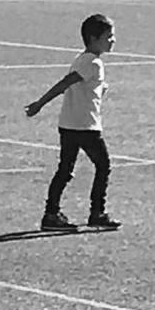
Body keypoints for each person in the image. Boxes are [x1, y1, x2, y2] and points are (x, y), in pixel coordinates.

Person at [25, 13, 121, 231]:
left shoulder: (83, 59)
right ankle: (97, 212)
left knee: (65, 170)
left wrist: (100, 90)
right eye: (109, 36)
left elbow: (82, 89)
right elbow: (65, 84)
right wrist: (40, 103)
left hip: (68, 125)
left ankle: (51, 214)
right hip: (85, 126)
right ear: (94, 38)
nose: (112, 40)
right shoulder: (92, 63)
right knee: (103, 166)